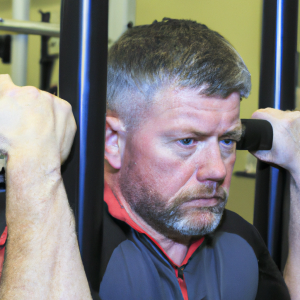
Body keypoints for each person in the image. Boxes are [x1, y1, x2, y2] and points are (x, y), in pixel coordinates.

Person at [0, 18, 299, 300]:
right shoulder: (50, 236)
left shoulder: (239, 241)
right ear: (112, 141)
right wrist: (34, 164)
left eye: (227, 140)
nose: (217, 170)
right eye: (187, 141)